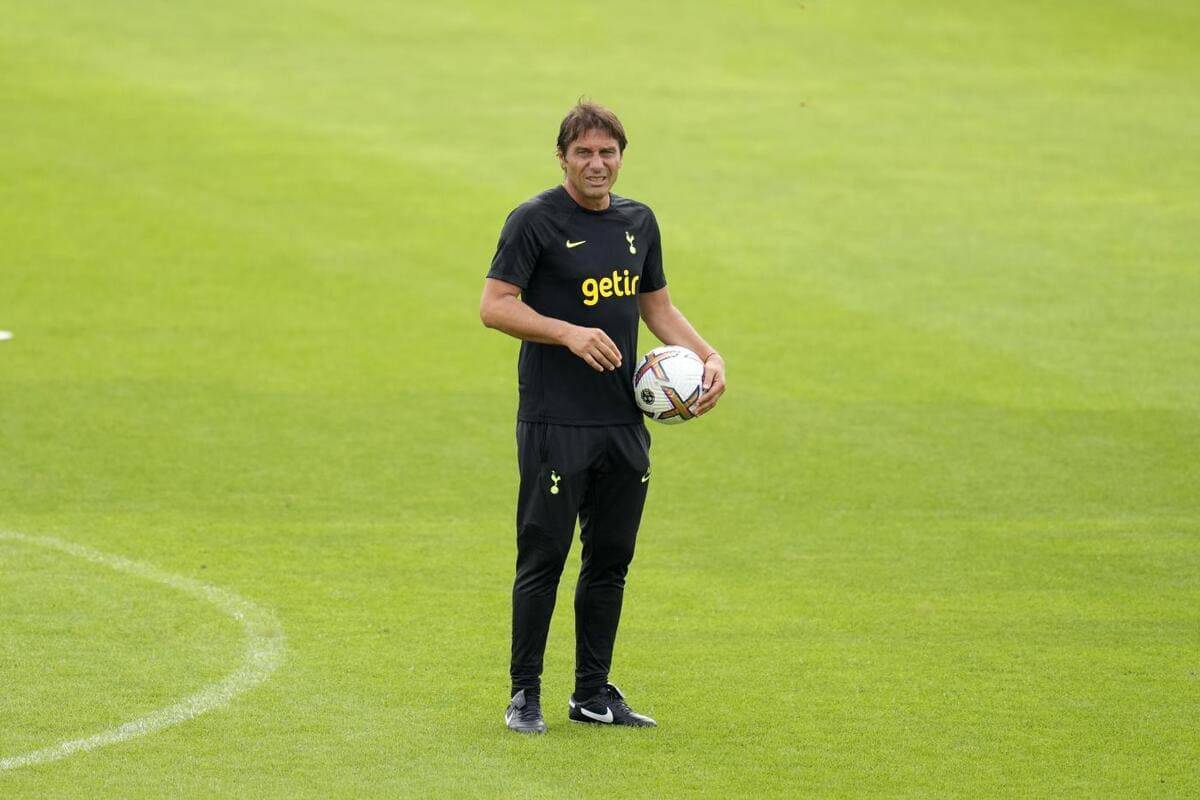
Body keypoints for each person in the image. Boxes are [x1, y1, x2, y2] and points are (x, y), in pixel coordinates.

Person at [479, 100, 726, 734]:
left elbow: (657, 307)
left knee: (611, 559)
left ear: (621, 157)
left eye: (607, 152)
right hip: (555, 422)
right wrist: (567, 332)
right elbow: (495, 305)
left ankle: (591, 694)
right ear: (562, 157)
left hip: (621, 422)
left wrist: (708, 356)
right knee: (543, 559)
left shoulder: (638, 221)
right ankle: (524, 694)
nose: (596, 163)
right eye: (583, 152)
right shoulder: (533, 221)